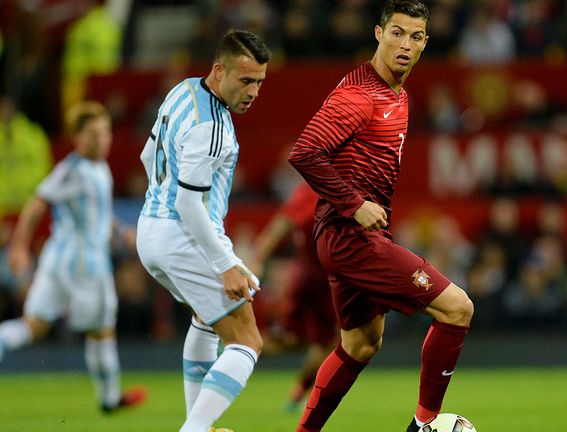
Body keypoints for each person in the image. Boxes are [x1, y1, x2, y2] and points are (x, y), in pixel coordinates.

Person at [287, 2, 474, 431]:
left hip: (347, 237)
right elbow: (305, 152)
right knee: (457, 308)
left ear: (426, 43)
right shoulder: (359, 96)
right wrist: (354, 204)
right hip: (348, 237)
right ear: (378, 33)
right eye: (397, 33)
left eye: (415, 37)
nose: (404, 45)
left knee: (360, 344)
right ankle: (424, 426)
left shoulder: (397, 94)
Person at [135, 30, 271, 432]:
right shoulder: (211, 126)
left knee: (205, 319)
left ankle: (201, 427)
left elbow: (147, 155)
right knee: (247, 339)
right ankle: (193, 430)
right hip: (183, 234)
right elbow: (189, 204)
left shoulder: (182, 92)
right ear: (219, 71)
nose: (253, 92)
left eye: (259, 82)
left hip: (151, 230)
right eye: (245, 81)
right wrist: (226, 263)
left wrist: (158, 200)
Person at [1, 101, 146, 413]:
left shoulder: (98, 168)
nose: (101, 140)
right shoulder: (73, 169)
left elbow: (98, 214)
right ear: (77, 138)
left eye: (105, 132)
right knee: (102, 329)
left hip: (58, 260)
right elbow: (37, 203)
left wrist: (120, 231)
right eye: (93, 134)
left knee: (33, 326)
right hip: (84, 264)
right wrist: (19, 246)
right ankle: (109, 399)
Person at [249, 181, 337, 411]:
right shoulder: (320, 188)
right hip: (320, 279)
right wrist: (256, 260)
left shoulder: (309, 189)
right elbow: (280, 226)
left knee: (294, 340)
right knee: (326, 343)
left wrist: (257, 259)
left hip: (309, 275)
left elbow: (279, 226)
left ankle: (234, 345)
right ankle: (236, 344)